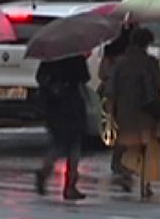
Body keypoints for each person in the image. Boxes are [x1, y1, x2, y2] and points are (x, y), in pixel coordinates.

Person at [107, 28, 160, 199]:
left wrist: (112, 110)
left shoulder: (120, 63)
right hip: (147, 109)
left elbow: (111, 89)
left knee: (127, 142)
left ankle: (125, 172)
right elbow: (159, 86)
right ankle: (145, 184)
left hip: (125, 109)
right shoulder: (151, 63)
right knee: (146, 146)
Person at [34, 54, 91, 201]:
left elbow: (40, 77)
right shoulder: (76, 56)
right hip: (72, 103)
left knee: (59, 143)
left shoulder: (50, 56)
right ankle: (70, 186)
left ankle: (44, 171)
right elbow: (85, 77)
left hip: (55, 105)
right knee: (74, 146)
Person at [99, 25, 135, 177]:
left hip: (113, 95)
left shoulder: (110, 54)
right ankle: (119, 162)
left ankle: (119, 162)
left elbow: (102, 74)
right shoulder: (128, 57)